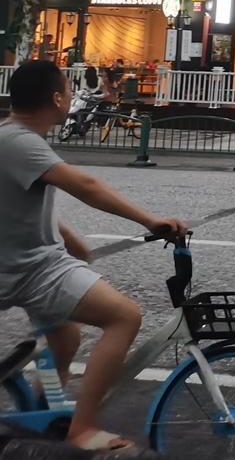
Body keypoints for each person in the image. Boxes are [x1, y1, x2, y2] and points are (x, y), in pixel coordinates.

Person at [0, 60, 187, 451]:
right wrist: (150, 220)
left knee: (65, 337)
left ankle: (44, 410)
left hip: (30, 262)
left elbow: (16, 203)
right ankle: (82, 429)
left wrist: (68, 239)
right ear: (56, 98)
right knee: (124, 316)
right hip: (29, 271)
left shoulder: (12, 137)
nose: (72, 97)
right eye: (69, 91)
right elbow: (85, 185)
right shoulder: (20, 142)